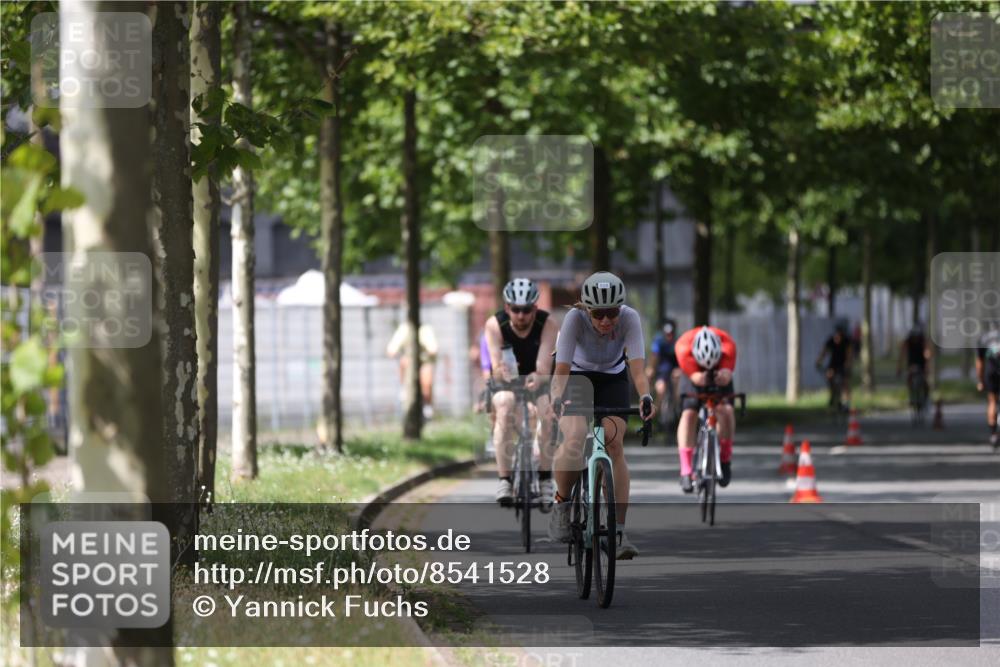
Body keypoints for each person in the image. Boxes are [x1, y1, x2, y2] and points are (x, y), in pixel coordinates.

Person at [546, 271, 655, 560]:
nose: (606, 320)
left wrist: (645, 396)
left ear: (620, 308)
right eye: (598, 314)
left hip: (612, 378)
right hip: (576, 376)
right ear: (586, 309)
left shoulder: (630, 318)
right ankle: (562, 504)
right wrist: (556, 399)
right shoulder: (574, 319)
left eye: (612, 312)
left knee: (614, 444)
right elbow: (561, 370)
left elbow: (638, 370)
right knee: (575, 436)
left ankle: (618, 532)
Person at [484, 278, 560, 507]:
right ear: (507, 307)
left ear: (535, 308)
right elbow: (495, 368)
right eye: (515, 309)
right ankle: (505, 479)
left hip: (537, 380)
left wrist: (537, 377)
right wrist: (501, 371)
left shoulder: (548, 324)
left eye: (526, 310)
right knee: (504, 404)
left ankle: (545, 477)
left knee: (547, 413)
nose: (520, 315)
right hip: (506, 383)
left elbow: (544, 368)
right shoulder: (494, 325)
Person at [674, 326, 738, 493]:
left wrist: (723, 376)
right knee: (688, 414)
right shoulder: (683, 347)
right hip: (693, 369)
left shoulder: (728, 347)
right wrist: (698, 377)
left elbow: (727, 375)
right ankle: (686, 470)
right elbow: (695, 378)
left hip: (720, 367)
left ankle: (725, 459)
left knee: (726, 410)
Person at [386, 319, 438, 420]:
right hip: (409, 365)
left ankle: (427, 406)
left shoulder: (425, 330)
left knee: (426, 375)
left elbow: (433, 349)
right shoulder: (404, 329)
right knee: (404, 362)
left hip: (423, 363)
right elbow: (391, 350)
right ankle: (405, 391)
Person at [646, 318, 681, 425]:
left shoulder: (678, 341)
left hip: (674, 370)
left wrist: (679, 370)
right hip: (662, 372)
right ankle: (655, 417)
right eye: (667, 334)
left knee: (677, 385)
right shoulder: (658, 341)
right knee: (660, 389)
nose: (669, 336)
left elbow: (681, 360)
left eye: (671, 334)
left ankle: (677, 411)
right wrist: (650, 369)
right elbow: (654, 356)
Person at [816, 321, 853, 410]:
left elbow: (849, 355)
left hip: (843, 364)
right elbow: (823, 352)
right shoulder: (830, 341)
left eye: (839, 335)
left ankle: (846, 403)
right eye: (836, 335)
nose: (837, 337)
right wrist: (818, 361)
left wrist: (847, 366)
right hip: (833, 364)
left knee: (845, 383)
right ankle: (833, 395)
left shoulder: (846, 341)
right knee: (829, 376)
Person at [975, 325, 1000, 450]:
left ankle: (993, 434)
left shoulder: (984, 337)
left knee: (992, 401)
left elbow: (979, 362)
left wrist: (980, 381)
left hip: (991, 371)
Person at [897, 323, 930, 405]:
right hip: (911, 363)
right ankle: (911, 396)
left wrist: (927, 366)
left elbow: (927, 353)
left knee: (925, 380)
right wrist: (899, 367)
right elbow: (902, 355)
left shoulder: (922, 340)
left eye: (917, 337)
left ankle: (926, 395)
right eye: (913, 337)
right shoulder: (907, 341)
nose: (915, 339)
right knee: (909, 377)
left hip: (921, 362)